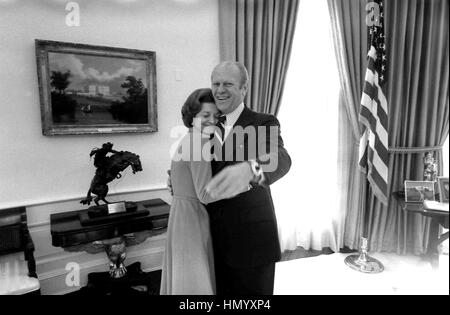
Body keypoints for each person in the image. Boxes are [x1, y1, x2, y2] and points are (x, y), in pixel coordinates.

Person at [204, 61, 292, 295]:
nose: (220, 90)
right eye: (216, 83)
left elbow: (280, 158)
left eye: (228, 84)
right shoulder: (206, 125)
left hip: (252, 242)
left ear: (244, 89)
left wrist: (251, 169)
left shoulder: (263, 121)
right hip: (211, 238)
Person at [160, 88, 248, 295]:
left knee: (184, 276)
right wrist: (243, 183)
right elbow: (205, 194)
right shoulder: (198, 141)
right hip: (192, 217)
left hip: (181, 214)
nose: (211, 120)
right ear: (192, 116)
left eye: (216, 116)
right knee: (194, 280)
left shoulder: (189, 138)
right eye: (204, 115)